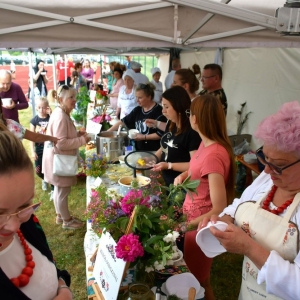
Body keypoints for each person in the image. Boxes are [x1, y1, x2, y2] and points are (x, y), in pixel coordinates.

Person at [201, 101, 300, 300]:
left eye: (279, 165)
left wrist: (249, 247)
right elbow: (240, 204)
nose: (267, 170)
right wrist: (224, 219)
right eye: (265, 157)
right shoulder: (267, 180)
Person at [174, 94, 235, 300]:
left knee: (198, 281)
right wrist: (184, 175)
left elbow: (218, 208)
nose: (189, 116)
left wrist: (185, 227)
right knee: (193, 277)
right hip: (191, 221)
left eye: (190, 113)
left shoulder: (214, 155)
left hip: (198, 227)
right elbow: (196, 168)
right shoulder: (205, 144)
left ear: (196, 118)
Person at [0, 130, 72, 299]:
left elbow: (50, 266)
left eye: (25, 204)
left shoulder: (28, 222)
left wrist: (62, 286)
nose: (15, 225)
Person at [43, 85, 91, 230]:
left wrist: (77, 134)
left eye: (74, 96)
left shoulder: (61, 113)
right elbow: (62, 143)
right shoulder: (60, 116)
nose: (74, 100)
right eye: (71, 97)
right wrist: (83, 140)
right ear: (61, 99)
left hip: (57, 159)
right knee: (63, 192)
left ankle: (60, 216)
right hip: (60, 160)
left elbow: (63, 136)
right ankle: (67, 221)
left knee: (59, 190)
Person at [152, 86, 201, 186]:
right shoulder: (171, 124)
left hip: (181, 185)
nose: (163, 111)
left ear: (178, 107)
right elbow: (164, 146)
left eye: (167, 107)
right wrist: (151, 158)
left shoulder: (192, 132)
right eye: (163, 106)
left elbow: (195, 165)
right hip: (167, 181)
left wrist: (169, 165)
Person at [108, 83, 166, 151]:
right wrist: (107, 132)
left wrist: (144, 137)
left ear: (149, 97)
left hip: (153, 152)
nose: (137, 100)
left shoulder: (159, 112)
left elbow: (161, 134)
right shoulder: (138, 110)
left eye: (140, 97)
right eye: (136, 97)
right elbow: (122, 122)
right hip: (139, 150)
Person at [30, 97, 54, 199]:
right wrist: (32, 151)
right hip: (39, 148)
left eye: (44, 108)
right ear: (36, 108)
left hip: (49, 147)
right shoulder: (34, 121)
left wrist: (51, 113)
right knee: (38, 171)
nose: (41, 110)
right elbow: (31, 137)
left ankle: (53, 189)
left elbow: (56, 125)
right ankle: (45, 179)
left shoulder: (51, 118)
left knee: (51, 168)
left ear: (47, 108)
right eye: (39, 107)